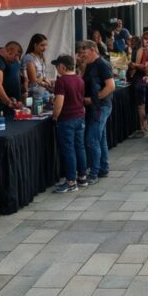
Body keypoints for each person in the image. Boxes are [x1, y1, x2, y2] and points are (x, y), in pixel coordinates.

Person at [78, 40, 115, 182]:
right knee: (100, 138)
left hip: (100, 107)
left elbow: (110, 86)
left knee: (92, 139)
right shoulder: (90, 64)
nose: (82, 54)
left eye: (84, 51)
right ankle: (103, 168)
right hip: (96, 106)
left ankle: (94, 173)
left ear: (92, 49)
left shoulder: (102, 64)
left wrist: (94, 99)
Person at [51, 54, 88, 193]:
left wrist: (55, 116)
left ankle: (71, 181)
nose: (56, 69)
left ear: (62, 67)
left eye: (57, 66)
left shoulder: (62, 81)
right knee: (80, 147)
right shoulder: (79, 79)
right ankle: (82, 177)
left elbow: (59, 102)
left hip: (67, 119)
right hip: (79, 116)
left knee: (68, 149)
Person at [0, 41, 23, 118]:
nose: (16, 59)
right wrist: (8, 102)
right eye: (16, 56)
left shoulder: (7, 58)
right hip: (0, 106)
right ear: (9, 51)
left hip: (12, 104)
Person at [23, 33, 54, 103]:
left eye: (46, 45)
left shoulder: (41, 56)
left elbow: (41, 76)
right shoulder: (29, 58)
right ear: (35, 45)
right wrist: (46, 84)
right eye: (42, 45)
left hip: (41, 91)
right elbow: (33, 80)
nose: (45, 48)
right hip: (33, 93)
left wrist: (47, 80)